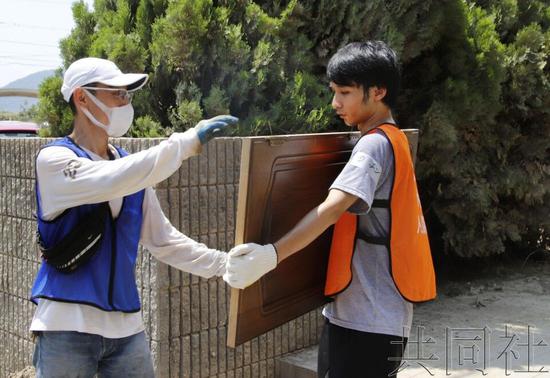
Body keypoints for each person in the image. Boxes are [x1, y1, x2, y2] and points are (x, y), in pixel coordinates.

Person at [224, 41, 436, 377]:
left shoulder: (372, 146)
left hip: (365, 321)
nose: (335, 103)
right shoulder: (395, 139)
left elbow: (331, 209)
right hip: (381, 317)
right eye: (334, 91)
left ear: (378, 91)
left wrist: (271, 255)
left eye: (346, 92)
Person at [30, 57, 238, 378]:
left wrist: (225, 264)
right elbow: (108, 178)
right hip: (65, 325)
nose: (125, 103)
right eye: (116, 93)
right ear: (82, 97)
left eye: (128, 95)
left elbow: (163, 240)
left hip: (126, 330)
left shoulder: (128, 169)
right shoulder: (55, 160)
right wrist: (182, 144)